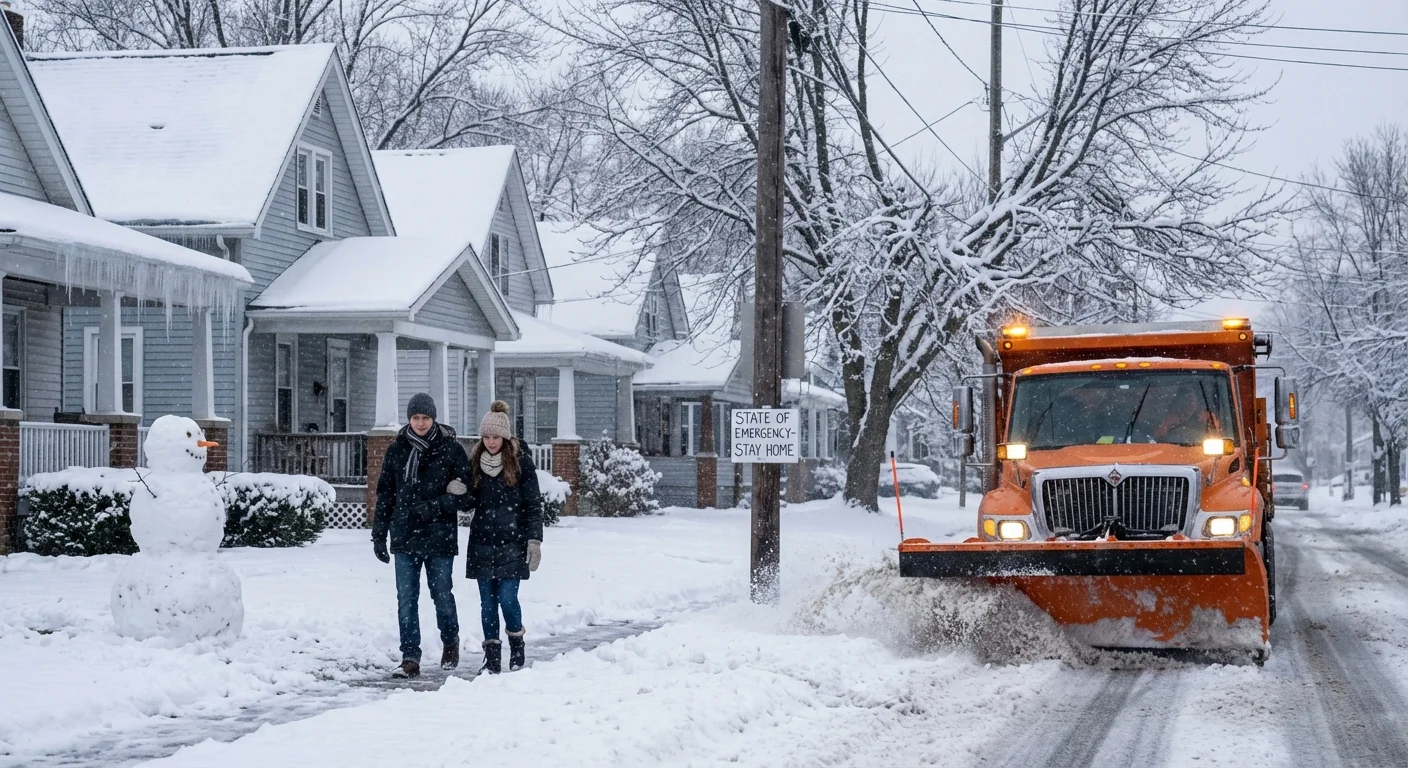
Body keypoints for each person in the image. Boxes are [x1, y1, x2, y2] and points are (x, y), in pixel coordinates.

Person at [372, 393, 472, 679]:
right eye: (415, 418)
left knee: (441, 594)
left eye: (425, 418)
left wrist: (437, 506)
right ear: (409, 419)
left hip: (439, 536)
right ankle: (410, 657)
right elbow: (386, 495)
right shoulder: (397, 450)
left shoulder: (451, 450)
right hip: (404, 535)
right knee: (406, 599)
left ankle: (450, 640)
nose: (420, 423)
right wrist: (379, 535)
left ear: (433, 418)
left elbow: (468, 496)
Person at [464, 400, 544, 674]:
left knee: (507, 599)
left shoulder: (522, 464)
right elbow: (469, 502)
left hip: (513, 542)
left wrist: (534, 540)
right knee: (487, 604)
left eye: (495, 437)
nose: (491, 442)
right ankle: (492, 658)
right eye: (486, 437)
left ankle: (517, 644)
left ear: (505, 437)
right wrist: (459, 492)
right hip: (482, 543)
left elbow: (533, 505)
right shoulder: (475, 463)